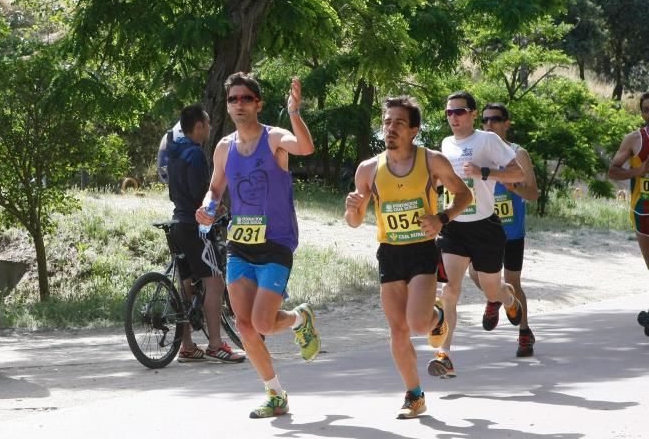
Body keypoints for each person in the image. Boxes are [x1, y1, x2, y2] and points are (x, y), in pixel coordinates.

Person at [196, 72, 319, 419]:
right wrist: (208, 207)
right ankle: (275, 394)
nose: (238, 104)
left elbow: (306, 147)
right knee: (246, 325)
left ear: (258, 103)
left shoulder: (274, 138)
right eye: (232, 99)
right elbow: (216, 189)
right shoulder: (224, 147)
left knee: (263, 323)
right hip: (240, 244)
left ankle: (298, 319)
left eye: (245, 98)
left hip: (277, 241)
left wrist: (294, 112)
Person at [345, 96, 472, 419]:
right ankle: (414, 395)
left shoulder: (432, 161)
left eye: (399, 123)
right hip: (389, 253)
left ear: (414, 129)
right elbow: (355, 222)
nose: (391, 128)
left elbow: (464, 195)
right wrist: (353, 209)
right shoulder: (369, 169)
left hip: (421, 250)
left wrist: (441, 219)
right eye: (387, 122)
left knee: (417, 323)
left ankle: (437, 315)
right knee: (398, 329)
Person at [432, 90, 525, 379]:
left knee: (491, 290)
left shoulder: (487, 140)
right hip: (454, 227)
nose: (454, 118)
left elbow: (517, 174)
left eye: (459, 112)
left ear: (473, 114)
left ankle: (508, 299)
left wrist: (485, 172)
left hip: (485, 227)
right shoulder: (446, 144)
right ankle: (444, 355)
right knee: (449, 291)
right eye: (449, 113)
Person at [166, 104, 245, 364]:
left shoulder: (174, 153)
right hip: (197, 226)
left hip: (177, 222)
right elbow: (203, 192)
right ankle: (214, 344)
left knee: (186, 284)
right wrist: (218, 207)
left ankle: (187, 346)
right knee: (215, 283)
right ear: (198, 126)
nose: (210, 129)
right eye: (208, 124)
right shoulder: (196, 154)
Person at [468, 103, 540, 358]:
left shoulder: (518, 154)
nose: (490, 125)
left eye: (496, 119)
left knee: (513, 282)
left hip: (511, 231)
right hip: (484, 228)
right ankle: (495, 297)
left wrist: (514, 189)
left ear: (507, 123)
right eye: (485, 120)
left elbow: (533, 193)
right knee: (475, 274)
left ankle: (524, 333)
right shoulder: (476, 153)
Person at [608, 91, 649, 269]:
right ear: (642, 114)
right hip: (644, 209)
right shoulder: (634, 139)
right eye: (647, 110)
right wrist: (638, 170)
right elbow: (612, 171)